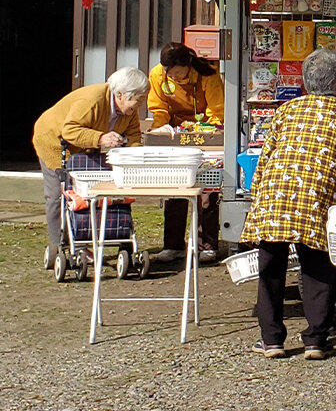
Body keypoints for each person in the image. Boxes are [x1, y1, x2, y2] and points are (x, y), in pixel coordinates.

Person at [240, 47, 336, 360]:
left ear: (306, 84)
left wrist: (257, 195)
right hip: (318, 199)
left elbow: (266, 156)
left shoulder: (286, 111)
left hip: (275, 196)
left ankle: (271, 340)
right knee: (318, 267)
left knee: (270, 266)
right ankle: (315, 340)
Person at [33, 67, 149, 261]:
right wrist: (101, 138)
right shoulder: (92, 101)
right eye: (139, 98)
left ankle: (87, 239)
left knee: (93, 193)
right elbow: (69, 130)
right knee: (59, 195)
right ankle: (61, 245)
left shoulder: (128, 110)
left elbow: (134, 136)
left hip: (85, 147)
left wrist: (131, 158)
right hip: (54, 141)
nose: (141, 104)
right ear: (120, 94)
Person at [147, 42, 225, 263]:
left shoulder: (207, 74)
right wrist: (161, 131)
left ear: (189, 65)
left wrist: (209, 133)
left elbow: (217, 109)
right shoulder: (158, 75)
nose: (175, 78)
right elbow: (159, 107)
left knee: (207, 188)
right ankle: (173, 245)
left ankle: (207, 245)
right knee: (175, 187)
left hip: (206, 130)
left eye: (179, 74)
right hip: (175, 132)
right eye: (170, 74)